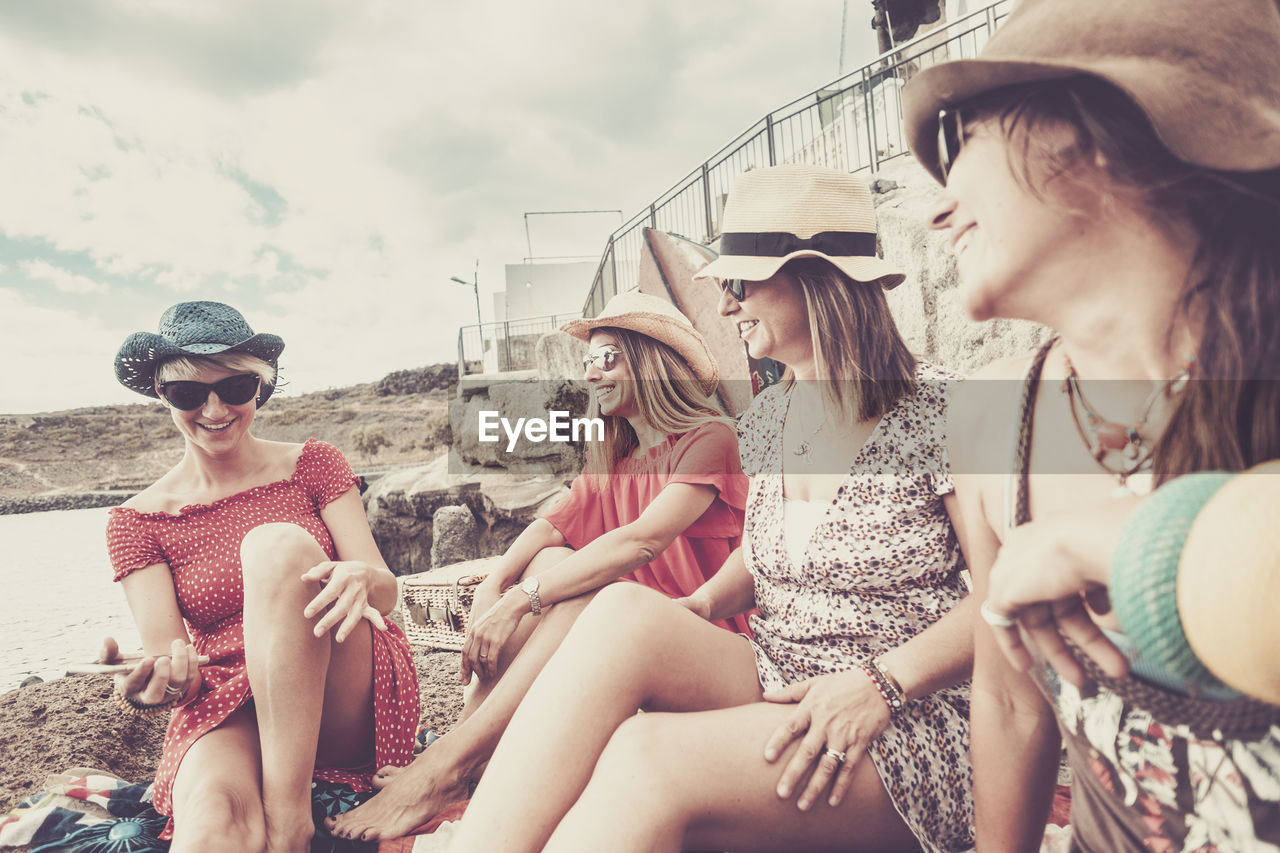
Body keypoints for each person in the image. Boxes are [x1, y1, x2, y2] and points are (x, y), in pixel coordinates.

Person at [447, 164, 976, 853]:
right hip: (779, 669)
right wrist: (694, 609)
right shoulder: (764, 421)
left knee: (646, 756)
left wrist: (882, 683)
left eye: (738, 283)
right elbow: (761, 559)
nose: (725, 307)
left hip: (900, 717)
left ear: (815, 278)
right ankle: (470, 815)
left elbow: (1010, 601)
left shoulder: (948, 410)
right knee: (624, 611)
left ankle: (461, 796)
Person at [903, 0, 1280, 847]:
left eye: (960, 138)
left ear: (1085, 136)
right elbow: (1007, 701)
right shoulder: (997, 421)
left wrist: (1119, 541)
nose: (937, 211)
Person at [327, 291, 751, 841]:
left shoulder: (709, 439)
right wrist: (499, 585)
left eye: (607, 358)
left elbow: (642, 542)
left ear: (652, 363)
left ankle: (449, 767)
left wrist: (525, 599)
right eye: (587, 363)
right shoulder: (618, 457)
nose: (593, 375)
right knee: (551, 562)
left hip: (704, 634)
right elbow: (553, 525)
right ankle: (465, 760)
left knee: (571, 590)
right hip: (632, 630)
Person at [102, 301, 420, 853]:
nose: (215, 407)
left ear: (259, 388)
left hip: (338, 676)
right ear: (162, 395)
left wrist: (361, 580)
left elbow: (387, 592)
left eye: (236, 387)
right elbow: (179, 669)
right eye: (189, 393)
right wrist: (161, 684)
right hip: (229, 693)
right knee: (211, 823)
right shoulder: (136, 520)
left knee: (277, 546)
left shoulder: (313, 464)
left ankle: (290, 819)